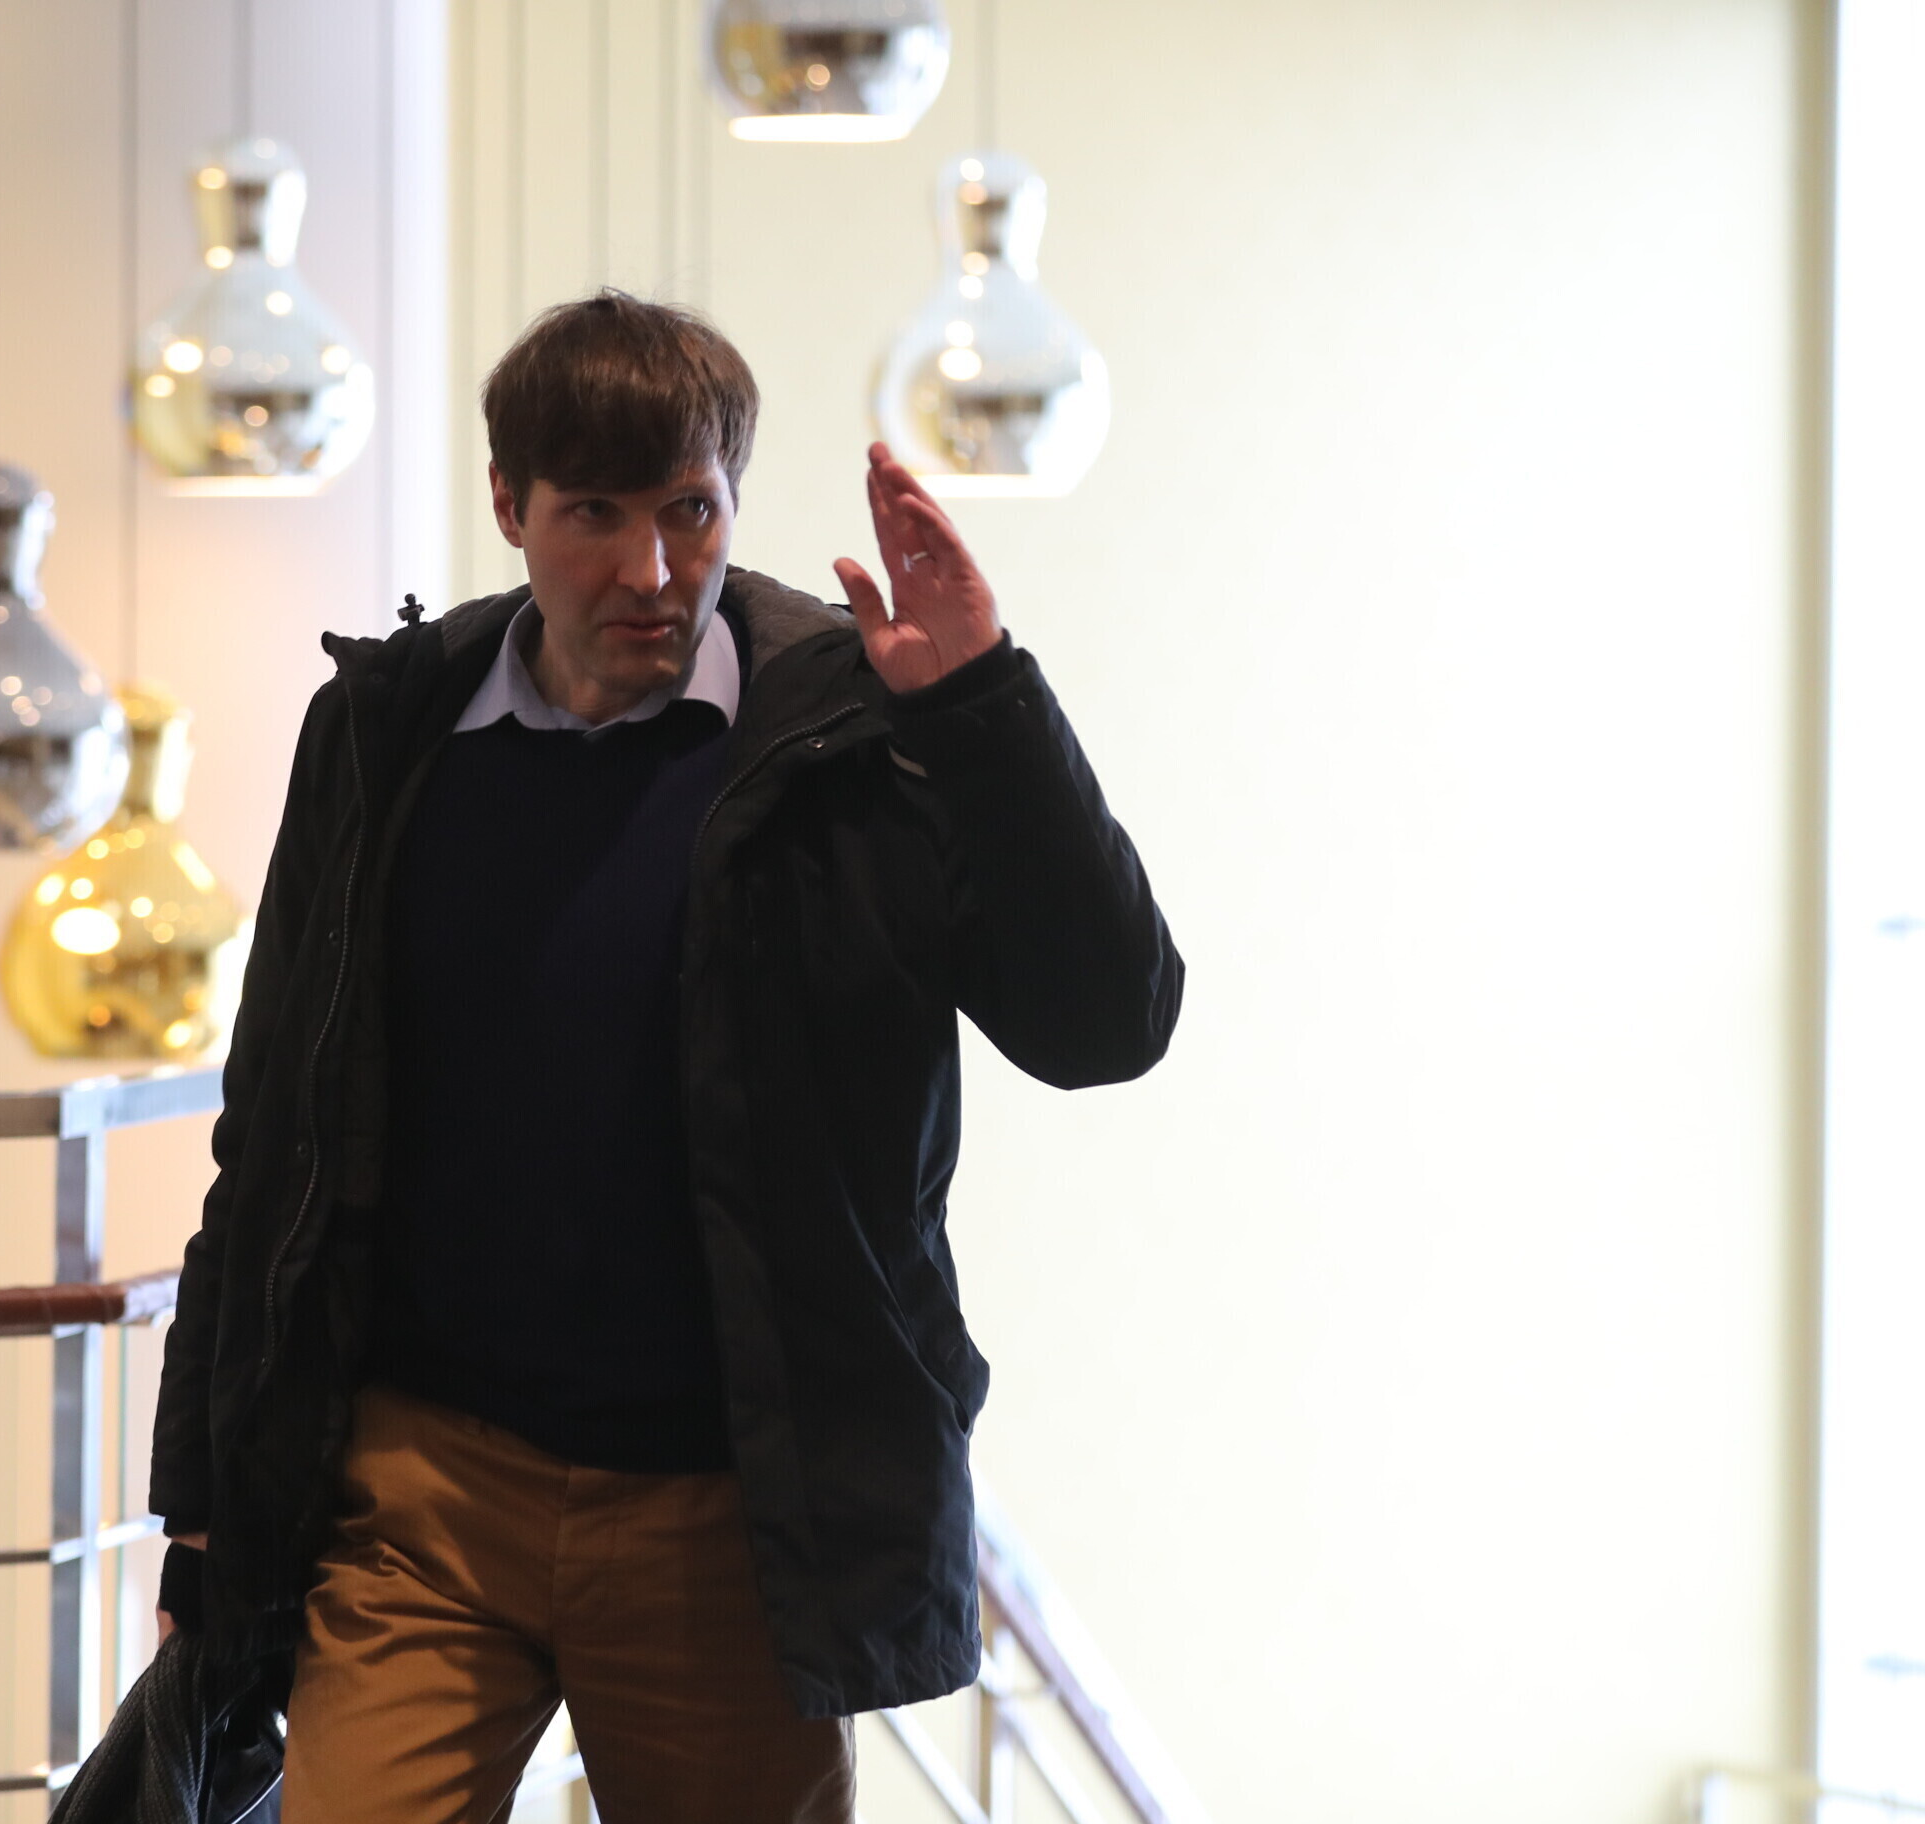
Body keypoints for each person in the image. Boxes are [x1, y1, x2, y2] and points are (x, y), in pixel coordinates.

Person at [149, 292, 1183, 1823]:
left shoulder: (856, 737)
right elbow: (271, 1140)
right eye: (595, 515)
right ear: (510, 505)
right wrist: (201, 1507)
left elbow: (1107, 1023)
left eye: (689, 511)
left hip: (726, 1510)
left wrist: (983, 705)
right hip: (422, 1498)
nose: (650, 571)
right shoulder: (383, 733)